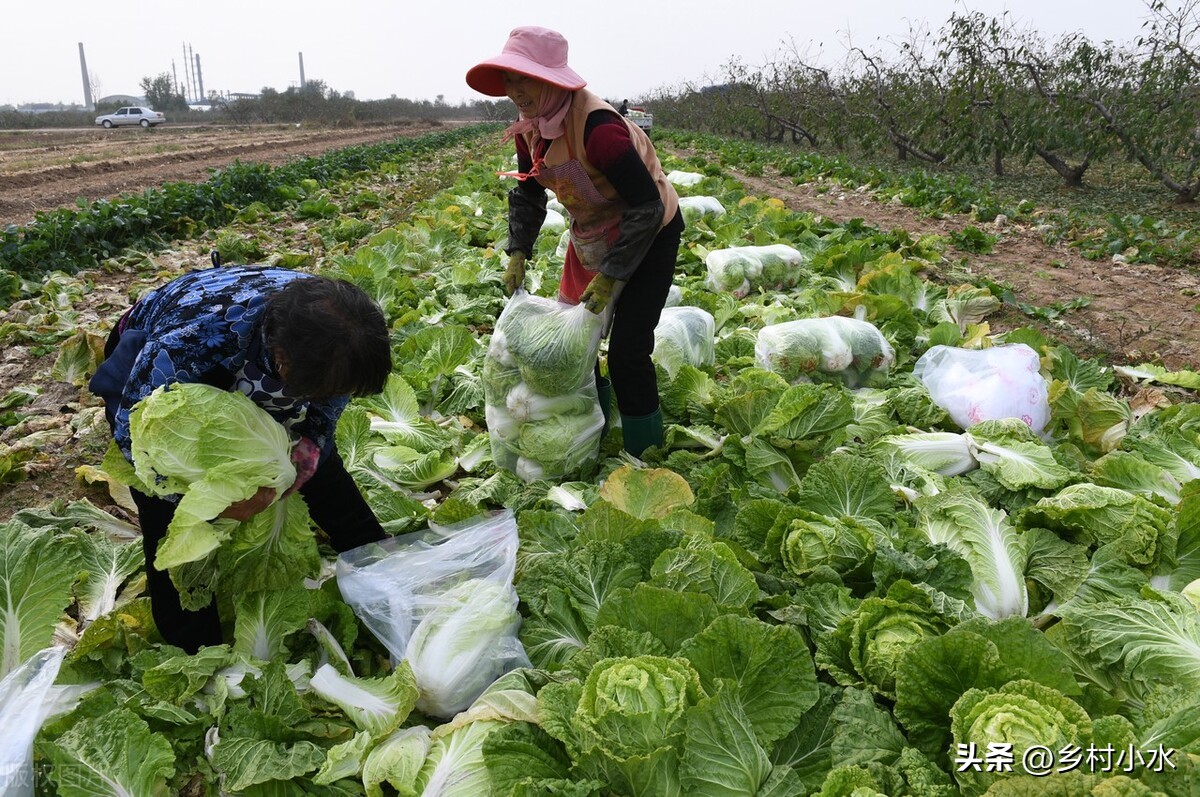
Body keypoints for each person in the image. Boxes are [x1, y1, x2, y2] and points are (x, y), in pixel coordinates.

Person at [89, 265, 393, 653]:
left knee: (319, 463)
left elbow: (319, 425)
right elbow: (138, 435)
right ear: (281, 359)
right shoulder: (195, 340)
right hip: (151, 371)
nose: (330, 397)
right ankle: (192, 645)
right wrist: (207, 504)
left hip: (272, 355)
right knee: (166, 517)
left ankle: (373, 557)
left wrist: (293, 474)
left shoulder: (342, 340)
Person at [466, 26, 683, 457]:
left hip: (650, 231)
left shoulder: (599, 129)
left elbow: (646, 207)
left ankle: (647, 451)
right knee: (576, 343)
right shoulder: (531, 130)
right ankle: (591, 430)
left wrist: (610, 278)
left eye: (524, 78)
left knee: (627, 350)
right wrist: (518, 252)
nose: (515, 90)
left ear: (551, 80)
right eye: (510, 79)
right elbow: (529, 193)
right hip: (593, 233)